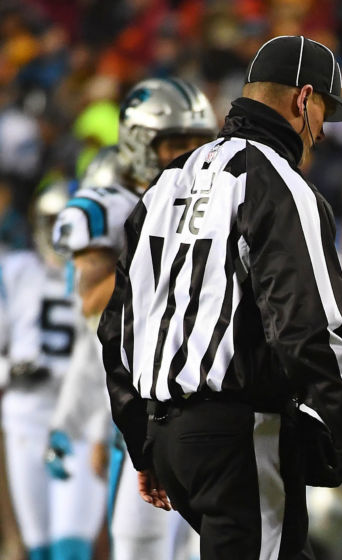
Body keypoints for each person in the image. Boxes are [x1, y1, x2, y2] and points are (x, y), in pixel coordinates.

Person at [98, 35, 342, 560]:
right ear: (303, 99)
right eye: (325, 110)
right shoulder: (278, 183)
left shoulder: (167, 181)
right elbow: (307, 332)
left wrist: (143, 445)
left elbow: (118, 329)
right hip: (239, 436)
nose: (324, 132)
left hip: (170, 439)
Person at [52, 78, 218, 560]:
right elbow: (94, 304)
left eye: (196, 143)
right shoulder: (113, 208)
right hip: (145, 400)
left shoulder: (219, 199)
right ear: (139, 142)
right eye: (175, 143)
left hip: (210, 394)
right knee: (138, 543)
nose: (188, 154)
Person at [0, 179, 107, 560]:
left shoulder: (98, 275)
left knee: (71, 549)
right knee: (38, 547)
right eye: (52, 222)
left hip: (79, 420)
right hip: (26, 419)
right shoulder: (15, 269)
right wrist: (11, 369)